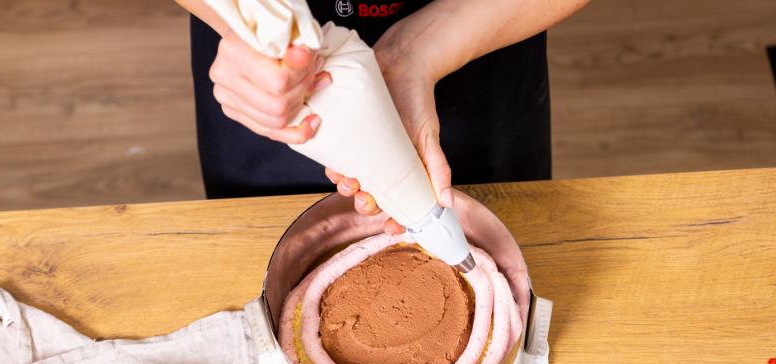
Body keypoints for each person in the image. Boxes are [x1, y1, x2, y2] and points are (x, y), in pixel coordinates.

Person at [176, 0, 588, 232]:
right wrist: (250, 22)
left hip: (485, 28)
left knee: (495, 217)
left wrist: (420, 50)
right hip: (268, 82)